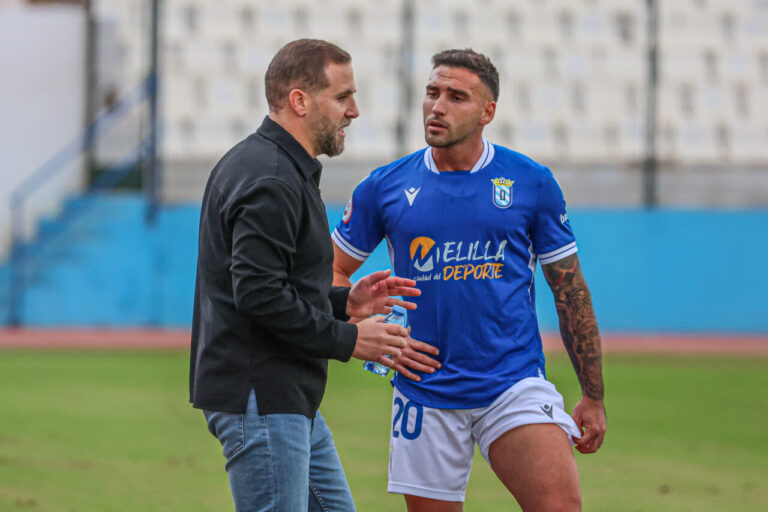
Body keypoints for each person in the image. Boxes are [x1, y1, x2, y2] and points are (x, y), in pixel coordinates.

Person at [332, 49, 606, 511]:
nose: (437, 106)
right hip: (423, 387)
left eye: (456, 97)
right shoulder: (384, 187)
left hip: (513, 383)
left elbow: (570, 290)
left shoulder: (530, 182)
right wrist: (358, 327)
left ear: (487, 112)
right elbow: (333, 268)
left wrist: (593, 396)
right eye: (432, 93)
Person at [189, 39, 423, 512]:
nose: (354, 110)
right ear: (299, 100)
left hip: (286, 399)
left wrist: (345, 304)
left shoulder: (272, 166)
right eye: (343, 96)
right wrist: (349, 339)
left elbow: (276, 285)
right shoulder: (272, 178)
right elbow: (257, 295)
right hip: (264, 397)